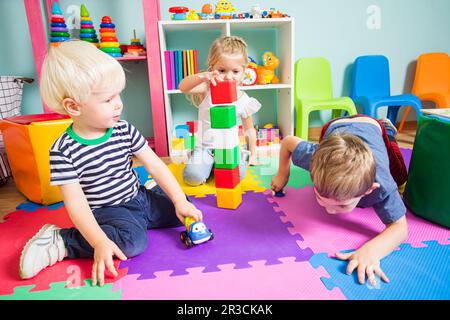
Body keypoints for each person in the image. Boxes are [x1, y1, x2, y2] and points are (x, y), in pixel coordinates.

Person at [19, 40, 202, 286]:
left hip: (138, 197)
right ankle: (62, 240)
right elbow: (76, 203)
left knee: (185, 207)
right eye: (108, 99)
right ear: (73, 106)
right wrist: (98, 241)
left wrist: (178, 200)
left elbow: (156, 165)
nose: (119, 104)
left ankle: (152, 204)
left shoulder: (123, 129)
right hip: (108, 210)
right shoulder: (63, 150)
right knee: (133, 243)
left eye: (118, 95)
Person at [271, 115, 408, 286]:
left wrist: (371, 251)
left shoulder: (382, 185)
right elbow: (288, 142)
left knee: (401, 176)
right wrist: (282, 174)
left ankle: (388, 129)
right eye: (320, 198)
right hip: (334, 127)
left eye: (342, 205)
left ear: (368, 190)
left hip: (372, 126)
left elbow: (400, 228)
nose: (329, 211)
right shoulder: (314, 159)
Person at [179, 36, 262, 186]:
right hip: (205, 147)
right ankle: (203, 163)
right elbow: (183, 87)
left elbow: (249, 130)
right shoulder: (206, 88)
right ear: (212, 67)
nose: (229, 76)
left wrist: (253, 154)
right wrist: (202, 77)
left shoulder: (244, 100)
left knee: (237, 176)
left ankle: (235, 158)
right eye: (222, 70)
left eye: (235, 71)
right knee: (192, 177)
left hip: (229, 148)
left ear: (244, 71)